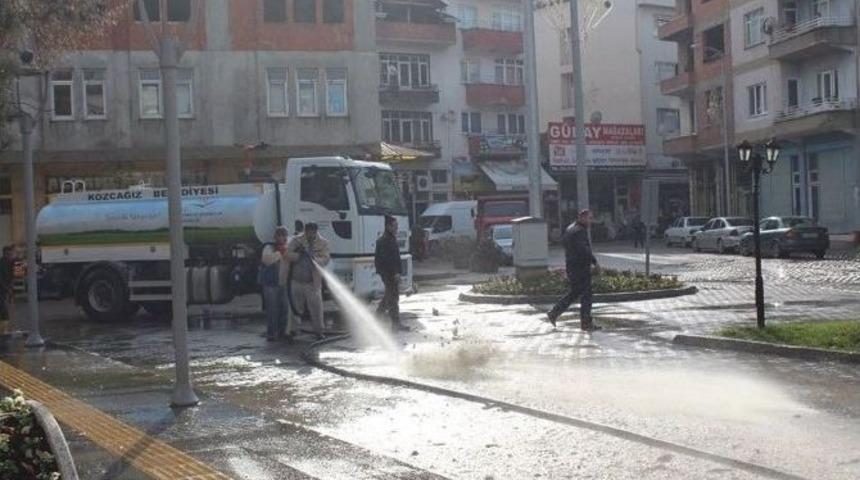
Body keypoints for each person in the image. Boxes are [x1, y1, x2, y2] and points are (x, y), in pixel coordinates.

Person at [546, 210, 602, 331]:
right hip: (580, 268)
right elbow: (584, 250)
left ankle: (554, 313)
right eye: (589, 218)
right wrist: (594, 262)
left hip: (572, 267)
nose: (591, 221)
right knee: (586, 295)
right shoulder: (580, 231)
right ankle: (586, 323)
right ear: (582, 218)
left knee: (575, 293)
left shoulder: (570, 228)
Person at [287, 223, 330, 340]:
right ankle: (293, 330)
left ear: (316, 231)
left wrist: (314, 259)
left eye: (312, 232)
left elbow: (326, 259)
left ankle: (319, 331)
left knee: (316, 308)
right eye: (308, 232)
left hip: (312, 282)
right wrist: (298, 254)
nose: (310, 235)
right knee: (295, 308)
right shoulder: (296, 240)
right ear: (305, 231)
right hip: (296, 280)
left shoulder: (323, 243)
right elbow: (287, 254)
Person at [260, 227, 293, 341]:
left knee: (284, 309)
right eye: (280, 235)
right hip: (271, 284)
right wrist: (280, 253)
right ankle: (271, 333)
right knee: (272, 310)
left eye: (284, 235)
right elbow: (266, 260)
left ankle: (282, 332)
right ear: (275, 237)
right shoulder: (269, 247)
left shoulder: (288, 248)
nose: (282, 238)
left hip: (283, 283)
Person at [375, 215, 404, 331]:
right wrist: (395, 273)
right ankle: (395, 323)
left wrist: (399, 272)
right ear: (388, 226)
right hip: (388, 273)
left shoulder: (391, 238)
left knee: (391, 296)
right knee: (392, 297)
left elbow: (396, 258)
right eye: (395, 226)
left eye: (397, 225)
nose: (397, 228)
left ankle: (379, 317)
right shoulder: (384, 240)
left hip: (391, 272)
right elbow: (387, 260)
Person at [0, 246, 14, 322]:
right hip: (2, 287)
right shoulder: (1, 263)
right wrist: (7, 288)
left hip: (7, 286)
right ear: (4, 254)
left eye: (10, 254)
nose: (10, 256)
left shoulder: (11, 262)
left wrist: (10, 286)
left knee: (5, 305)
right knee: (3, 305)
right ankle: (5, 321)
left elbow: (13, 275)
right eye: (8, 254)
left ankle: (5, 322)